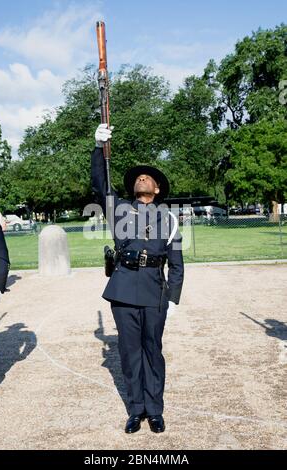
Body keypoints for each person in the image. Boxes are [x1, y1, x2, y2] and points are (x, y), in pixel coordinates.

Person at [91, 124, 184, 433]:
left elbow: (177, 264)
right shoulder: (118, 210)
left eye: (148, 177)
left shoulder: (169, 218)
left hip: (155, 291)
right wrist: (97, 148)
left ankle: (155, 409)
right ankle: (136, 410)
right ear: (133, 189)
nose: (142, 178)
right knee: (130, 353)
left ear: (157, 189)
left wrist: (173, 299)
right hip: (124, 289)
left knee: (152, 350)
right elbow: (99, 183)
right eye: (138, 178)